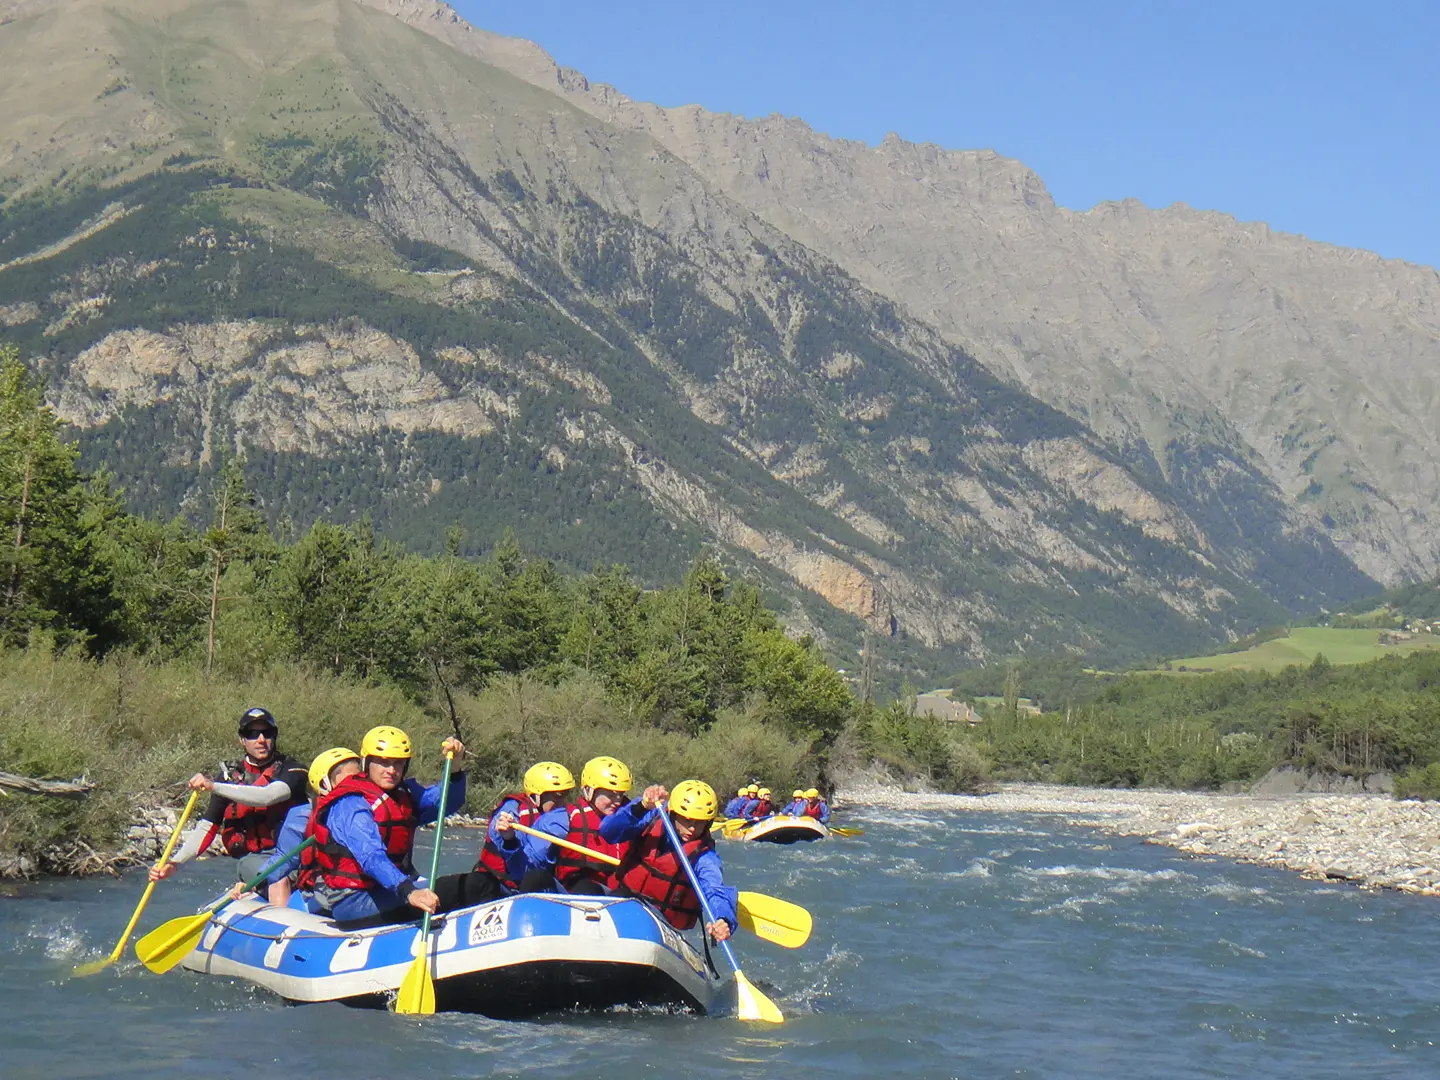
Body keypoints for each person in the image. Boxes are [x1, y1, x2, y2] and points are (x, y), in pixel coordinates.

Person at [300, 725, 469, 928]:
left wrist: (456, 765)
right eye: (383, 763)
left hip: (388, 891)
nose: (391, 770)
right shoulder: (350, 803)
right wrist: (409, 891)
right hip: (354, 901)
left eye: (398, 764)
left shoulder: (403, 795)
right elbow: (371, 856)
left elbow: (445, 803)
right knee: (454, 889)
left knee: (471, 884)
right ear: (367, 763)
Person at [151, 707, 307, 887]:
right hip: (256, 859)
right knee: (277, 879)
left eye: (267, 733)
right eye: (253, 734)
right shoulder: (229, 777)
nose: (261, 740)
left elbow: (268, 796)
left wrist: (213, 786)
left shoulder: (293, 770)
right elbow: (208, 827)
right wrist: (174, 863)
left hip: (295, 852)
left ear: (274, 736)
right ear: (242, 739)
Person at [600, 779, 736, 940]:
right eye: (686, 820)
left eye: (699, 823)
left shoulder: (705, 857)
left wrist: (723, 919)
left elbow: (715, 890)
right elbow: (608, 832)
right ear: (673, 814)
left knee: (623, 898)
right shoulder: (652, 815)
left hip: (661, 925)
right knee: (588, 888)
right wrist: (641, 806)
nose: (692, 828)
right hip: (620, 900)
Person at [477, 761, 574, 893]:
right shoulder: (512, 810)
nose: (561, 802)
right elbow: (517, 861)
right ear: (537, 795)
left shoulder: (555, 818)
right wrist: (508, 838)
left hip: (537, 882)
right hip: (503, 885)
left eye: (565, 795)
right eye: (556, 796)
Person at [555, 756, 632, 895]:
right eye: (611, 795)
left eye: (621, 795)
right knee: (587, 888)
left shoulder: (632, 821)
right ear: (589, 791)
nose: (618, 802)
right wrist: (509, 838)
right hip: (573, 892)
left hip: (614, 895)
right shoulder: (564, 818)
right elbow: (534, 856)